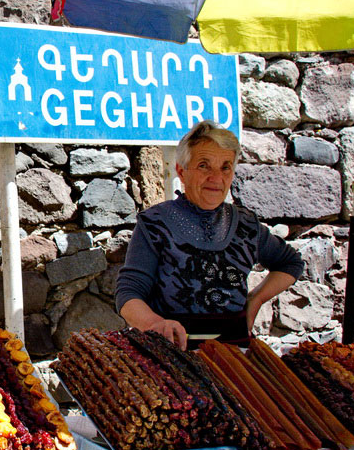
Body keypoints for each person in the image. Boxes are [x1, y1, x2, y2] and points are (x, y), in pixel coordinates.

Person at [116, 120, 304, 350]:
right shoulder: (155, 223)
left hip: (234, 355)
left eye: (225, 167)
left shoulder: (246, 224)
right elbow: (129, 292)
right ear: (181, 172)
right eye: (204, 165)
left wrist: (255, 300)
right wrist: (155, 324)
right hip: (171, 354)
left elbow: (290, 263)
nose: (216, 177)